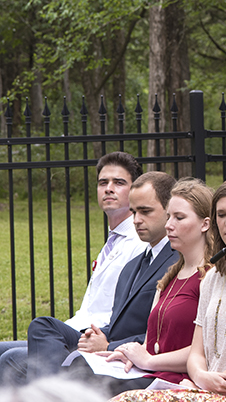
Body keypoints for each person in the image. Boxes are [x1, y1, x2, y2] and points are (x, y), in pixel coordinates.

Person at [112, 177, 226, 402]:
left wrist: (214, 381)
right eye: (221, 215)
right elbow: (197, 351)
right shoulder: (213, 277)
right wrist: (201, 377)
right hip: (202, 388)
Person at [0, 151, 146, 386]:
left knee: (12, 359)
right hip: (71, 329)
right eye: (103, 182)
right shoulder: (114, 240)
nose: (109, 188)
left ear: (135, 191)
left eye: (119, 183)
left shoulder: (139, 242)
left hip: (92, 338)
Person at [26, 171, 180, 380]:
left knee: (13, 361)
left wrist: (109, 345)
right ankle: (55, 386)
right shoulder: (134, 264)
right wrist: (97, 335)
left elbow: (165, 334)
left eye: (145, 211)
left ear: (170, 211)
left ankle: (55, 388)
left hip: (132, 358)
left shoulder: (177, 261)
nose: (136, 220)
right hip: (106, 341)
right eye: (134, 212)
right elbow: (119, 322)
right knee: (42, 326)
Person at [90, 177, 213, 396]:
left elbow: (207, 350)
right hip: (150, 372)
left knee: (93, 388)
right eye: (168, 217)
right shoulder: (168, 277)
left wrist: (149, 360)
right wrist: (129, 353)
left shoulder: (210, 277)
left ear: (205, 223)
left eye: (179, 217)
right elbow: (151, 341)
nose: (169, 225)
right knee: (78, 372)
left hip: (179, 380)